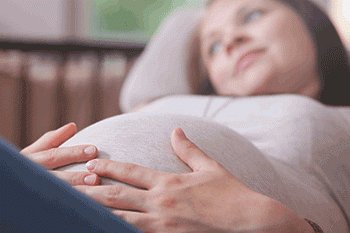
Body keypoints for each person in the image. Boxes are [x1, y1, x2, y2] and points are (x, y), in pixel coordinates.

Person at [18, 0, 350, 232]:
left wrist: (290, 229)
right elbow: (139, 95)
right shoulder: (164, 103)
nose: (231, 41)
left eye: (251, 16)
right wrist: (17, 183)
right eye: (213, 47)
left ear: (312, 19)